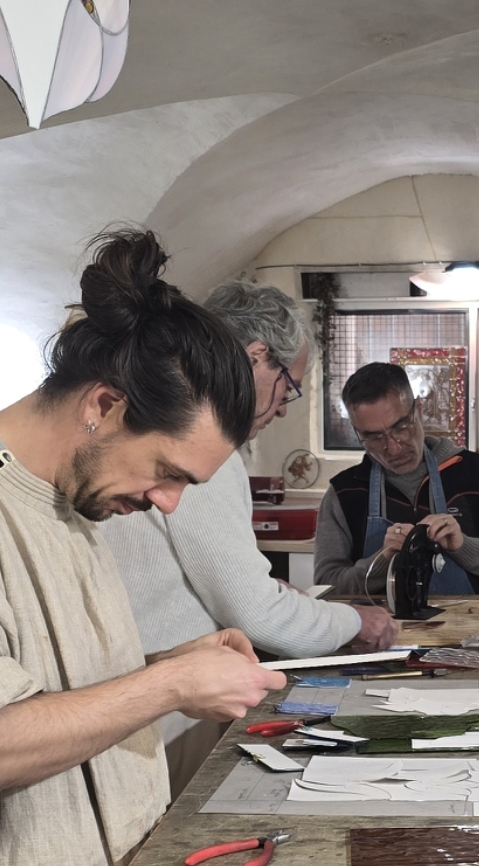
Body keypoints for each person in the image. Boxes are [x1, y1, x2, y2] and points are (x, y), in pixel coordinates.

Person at [0, 231, 279, 866]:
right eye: (169, 471)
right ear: (105, 405)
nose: (169, 501)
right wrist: (167, 686)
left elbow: (43, 694)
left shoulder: (66, 505)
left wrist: (165, 664)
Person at [107, 282, 398, 787]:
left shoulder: (163, 418)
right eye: (288, 387)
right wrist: (355, 620)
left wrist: (270, 593)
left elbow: (219, 584)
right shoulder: (203, 441)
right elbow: (259, 616)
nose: (283, 407)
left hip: (151, 696)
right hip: (161, 719)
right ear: (257, 356)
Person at [314, 362, 479, 598]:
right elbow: (326, 587)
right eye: (375, 437)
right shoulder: (344, 493)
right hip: (380, 623)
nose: (393, 448)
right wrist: (381, 562)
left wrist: (464, 546)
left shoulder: (471, 473)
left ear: (419, 411)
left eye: (401, 427)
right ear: (357, 432)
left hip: (466, 621)